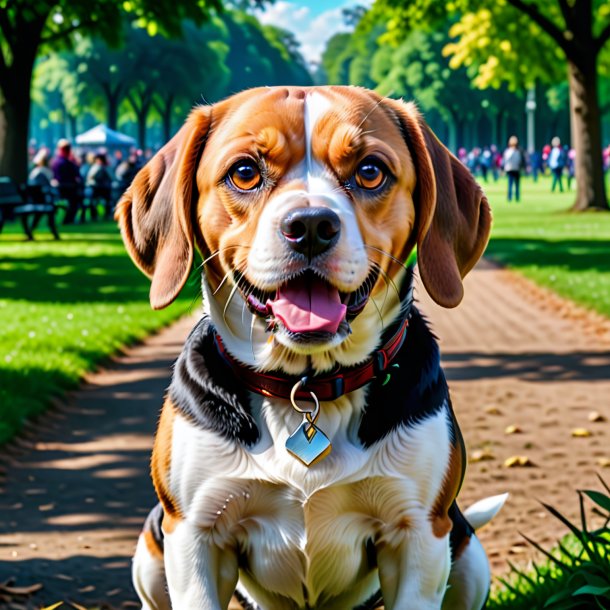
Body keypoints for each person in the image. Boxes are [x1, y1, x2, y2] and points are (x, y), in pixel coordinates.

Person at [51, 139, 83, 224]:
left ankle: (68, 220)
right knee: (76, 200)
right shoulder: (67, 162)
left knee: (75, 201)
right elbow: (77, 175)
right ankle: (68, 220)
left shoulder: (55, 161)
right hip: (68, 189)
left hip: (62, 189)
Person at [86, 152, 113, 218]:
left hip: (103, 188)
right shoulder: (97, 167)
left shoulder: (104, 167)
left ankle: (106, 214)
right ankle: (95, 215)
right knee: (94, 202)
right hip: (96, 188)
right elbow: (90, 177)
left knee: (107, 201)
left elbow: (111, 177)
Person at [502, 135, 525, 202]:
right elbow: (521, 161)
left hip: (509, 169)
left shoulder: (507, 151)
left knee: (510, 184)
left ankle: (509, 197)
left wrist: (503, 169)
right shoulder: (519, 151)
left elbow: (504, 161)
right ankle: (517, 197)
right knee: (517, 184)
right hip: (516, 169)